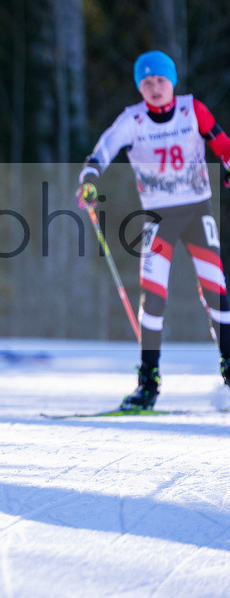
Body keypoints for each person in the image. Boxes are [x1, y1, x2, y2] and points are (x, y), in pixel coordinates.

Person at [76, 50, 230, 410]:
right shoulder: (133, 120)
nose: (155, 88)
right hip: (157, 217)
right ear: (139, 88)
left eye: (161, 80)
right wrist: (88, 180)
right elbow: (101, 152)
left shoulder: (192, 109)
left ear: (172, 82)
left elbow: (222, 144)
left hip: (196, 211)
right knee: (153, 295)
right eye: (146, 83)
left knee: (216, 288)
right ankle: (148, 383)